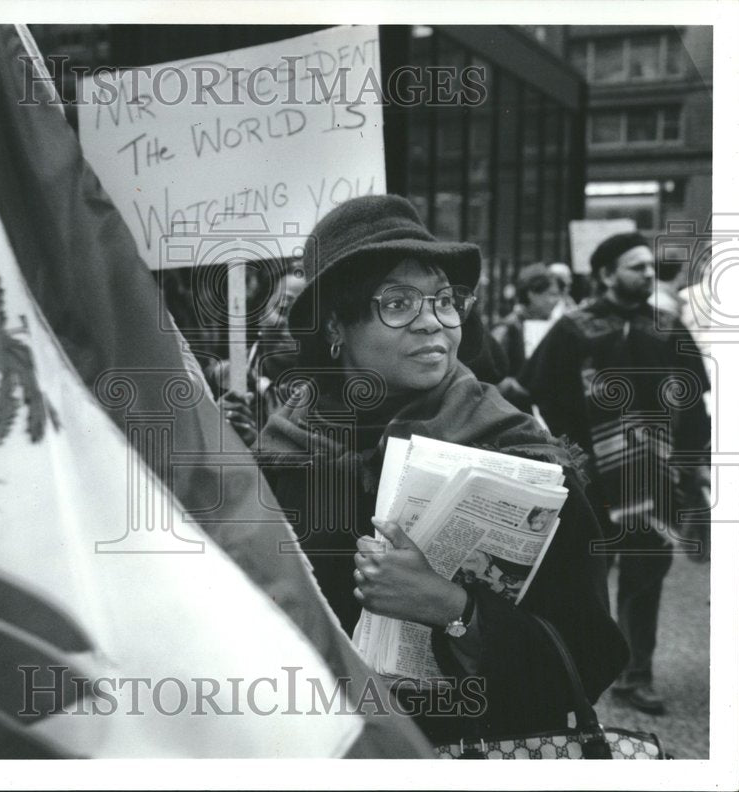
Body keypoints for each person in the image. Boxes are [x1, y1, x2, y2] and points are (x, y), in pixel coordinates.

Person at [256, 195, 627, 745]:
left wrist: (455, 610)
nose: (433, 322)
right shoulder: (280, 454)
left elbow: (591, 657)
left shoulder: (522, 454)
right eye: (399, 303)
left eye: (445, 300)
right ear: (335, 323)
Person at [520, 231, 711, 716]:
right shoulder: (574, 329)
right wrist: (575, 448)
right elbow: (536, 389)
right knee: (584, 580)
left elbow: (693, 404)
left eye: (650, 266)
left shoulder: (668, 327)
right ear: (606, 275)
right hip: (594, 479)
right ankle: (581, 669)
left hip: (655, 478)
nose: (647, 273)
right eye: (635, 266)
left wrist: (692, 465)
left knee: (646, 578)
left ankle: (635, 675)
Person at [211, 266, 306, 445]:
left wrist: (258, 446)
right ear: (261, 312)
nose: (292, 326)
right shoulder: (217, 377)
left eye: (305, 317)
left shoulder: (324, 396)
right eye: (283, 309)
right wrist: (213, 422)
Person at [491, 263, 562, 411]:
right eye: (551, 294)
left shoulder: (554, 325)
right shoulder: (508, 328)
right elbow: (491, 376)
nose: (556, 301)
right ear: (532, 294)